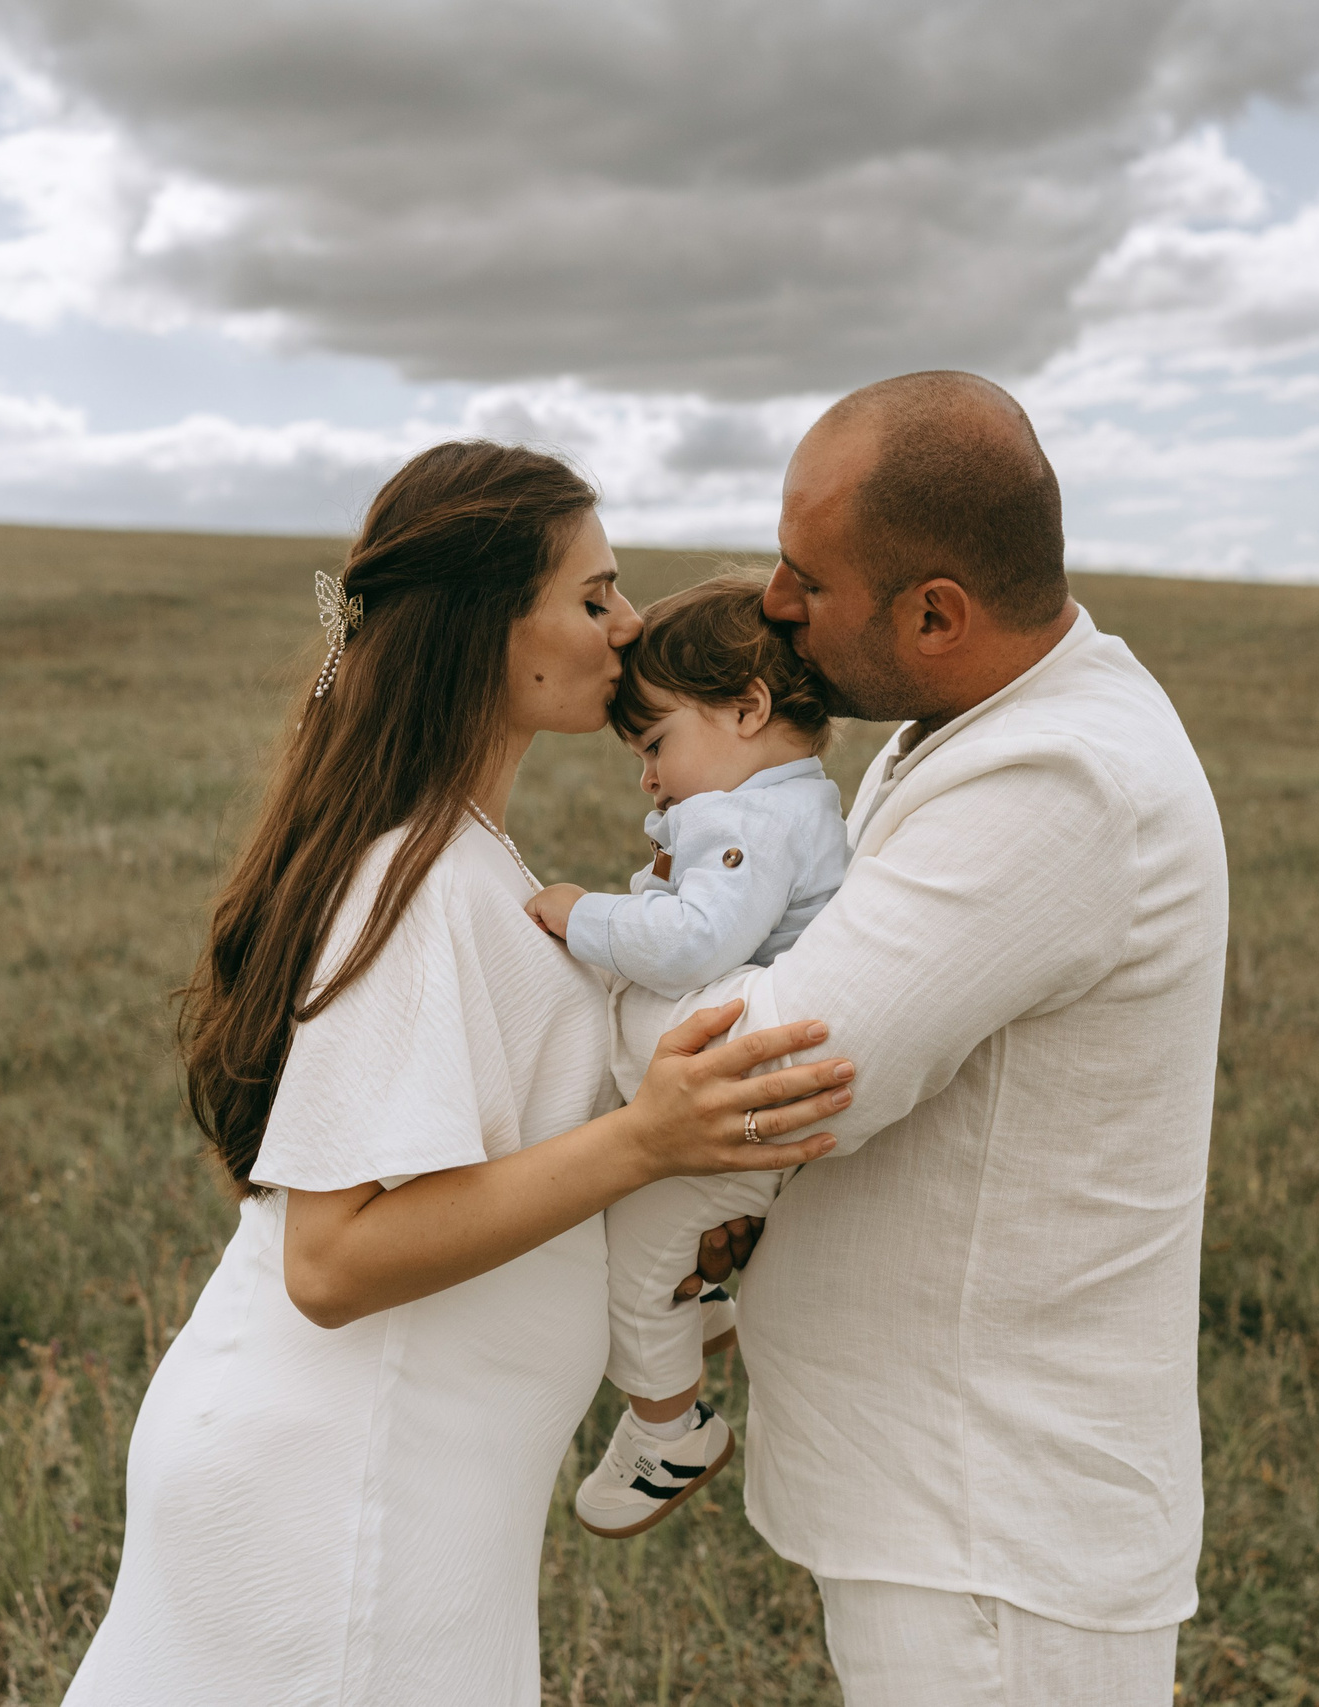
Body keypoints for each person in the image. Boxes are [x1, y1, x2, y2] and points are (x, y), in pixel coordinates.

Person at [60, 441, 854, 1707]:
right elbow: (330, 1262)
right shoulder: (415, 878)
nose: (629, 623)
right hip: (344, 1484)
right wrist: (647, 1141)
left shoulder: (469, 853)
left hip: (414, 1476)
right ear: (492, 628)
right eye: (591, 596)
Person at [618, 372, 1230, 1705]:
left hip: (993, 1524)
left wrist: (580, 957)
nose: (772, 605)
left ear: (936, 613)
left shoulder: (1058, 778)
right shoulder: (966, 721)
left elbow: (781, 1069)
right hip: (950, 1496)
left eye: (805, 578)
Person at [520, 572, 852, 1538]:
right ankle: (701, 1305)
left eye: (657, 742)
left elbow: (695, 941)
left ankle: (671, 1430)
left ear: (747, 708)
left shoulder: (750, 820)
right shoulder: (787, 805)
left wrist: (584, 913)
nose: (648, 778)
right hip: (733, 1098)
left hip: (727, 1105)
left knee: (632, 1265)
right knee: (661, 1243)